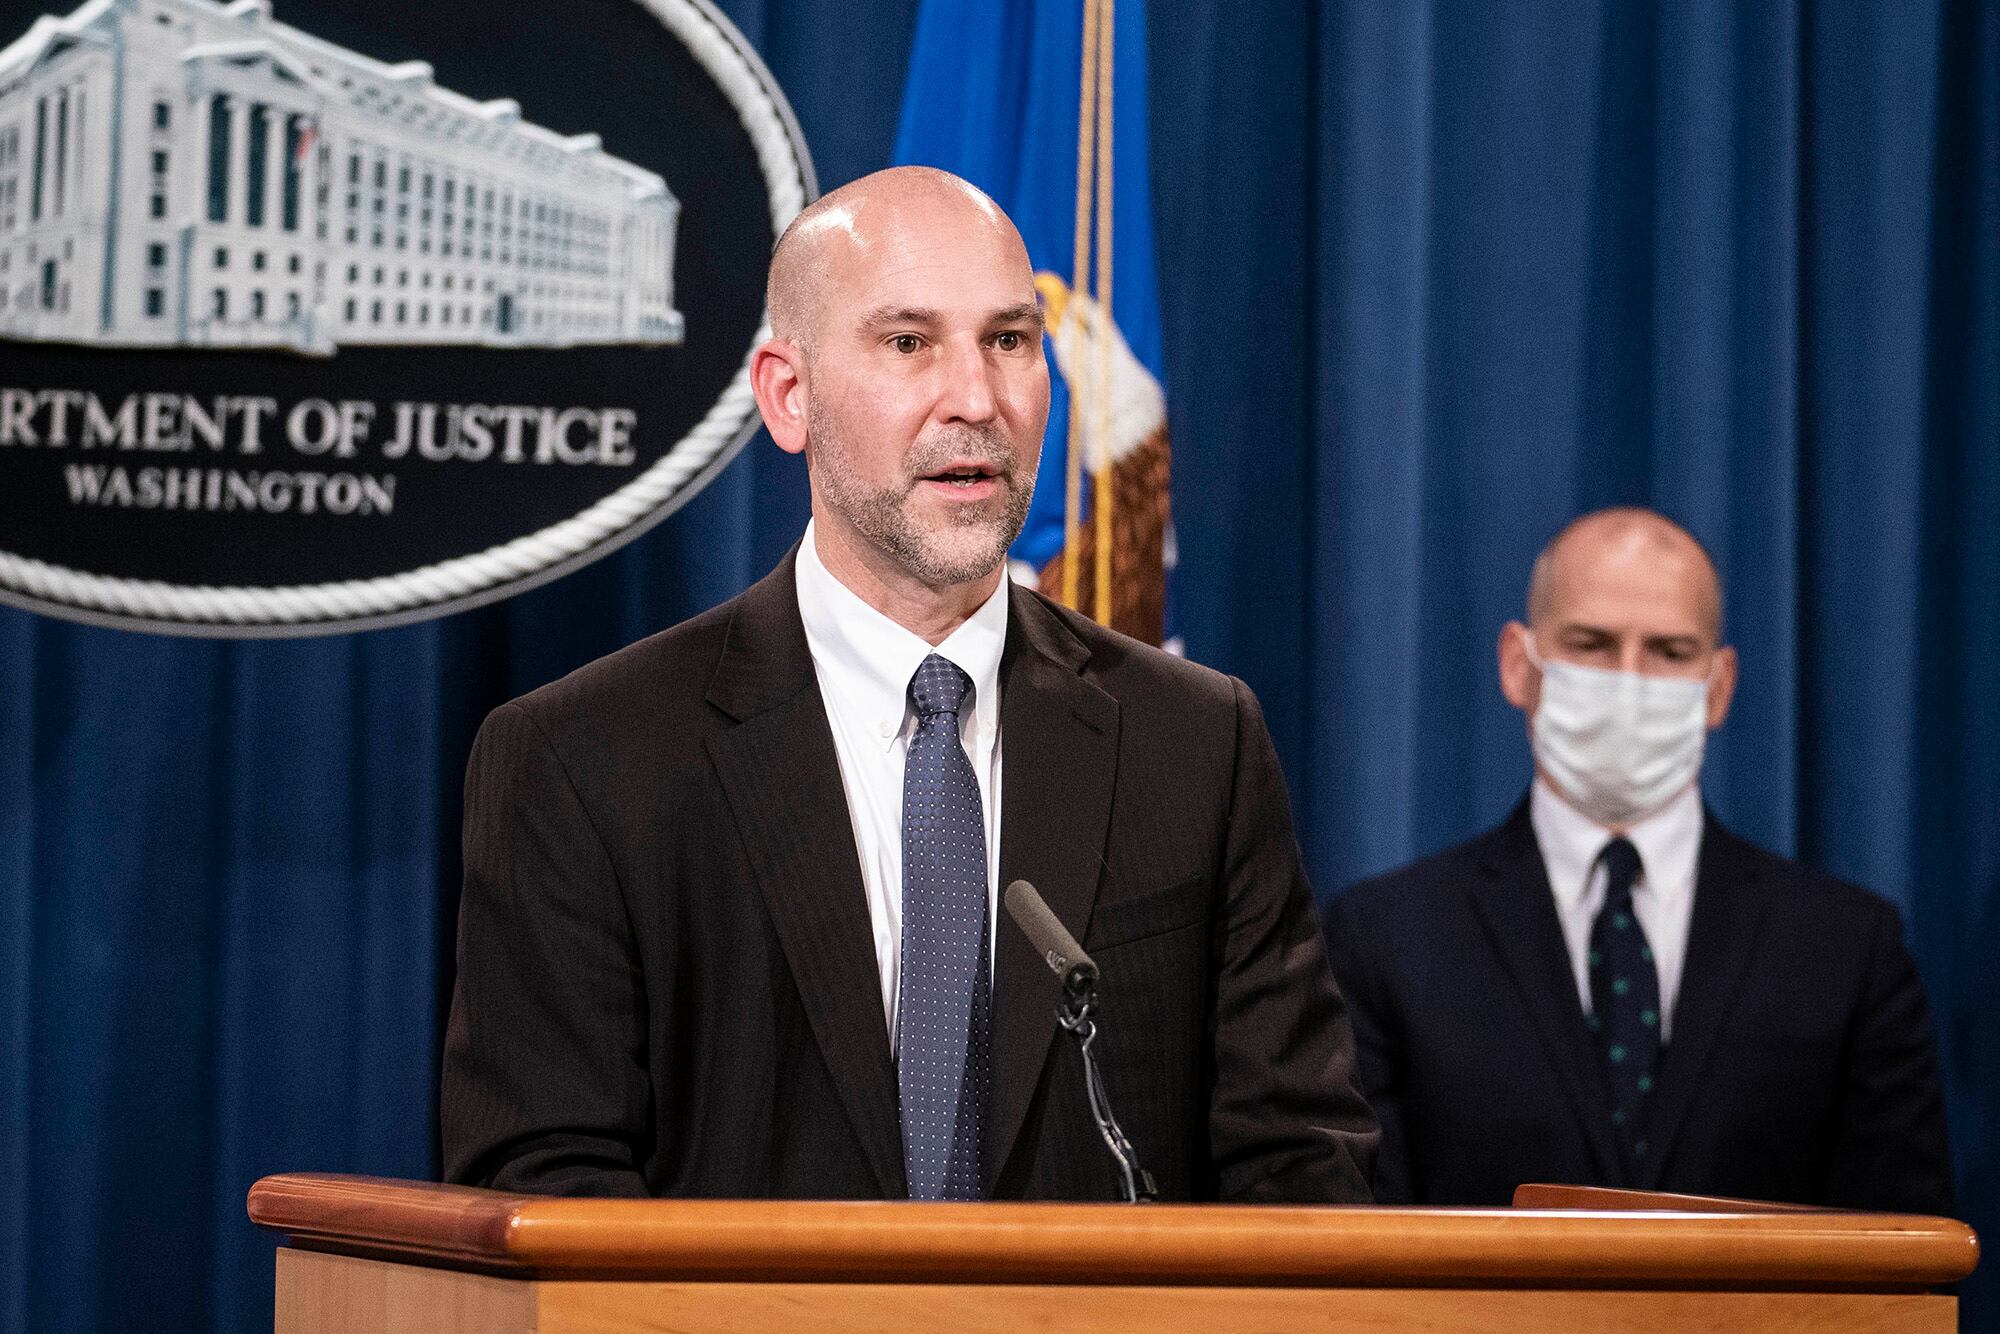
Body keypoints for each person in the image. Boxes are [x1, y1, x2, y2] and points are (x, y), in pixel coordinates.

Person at [440, 167, 1376, 1203]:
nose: (975, 399)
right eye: (908, 342)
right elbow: (544, 1189)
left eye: (1010, 341)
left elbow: (1297, 1169)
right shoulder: (590, 759)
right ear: (787, 395)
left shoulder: (1195, 742)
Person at [1323, 508, 1955, 1212]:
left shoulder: (1846, 949)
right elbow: (1370, 1251)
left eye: (1669, 652)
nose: (1630, 680)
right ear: (1517, 665)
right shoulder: (1387, 939)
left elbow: (1905, 1257)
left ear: (1717, 686)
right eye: (1591, 644)